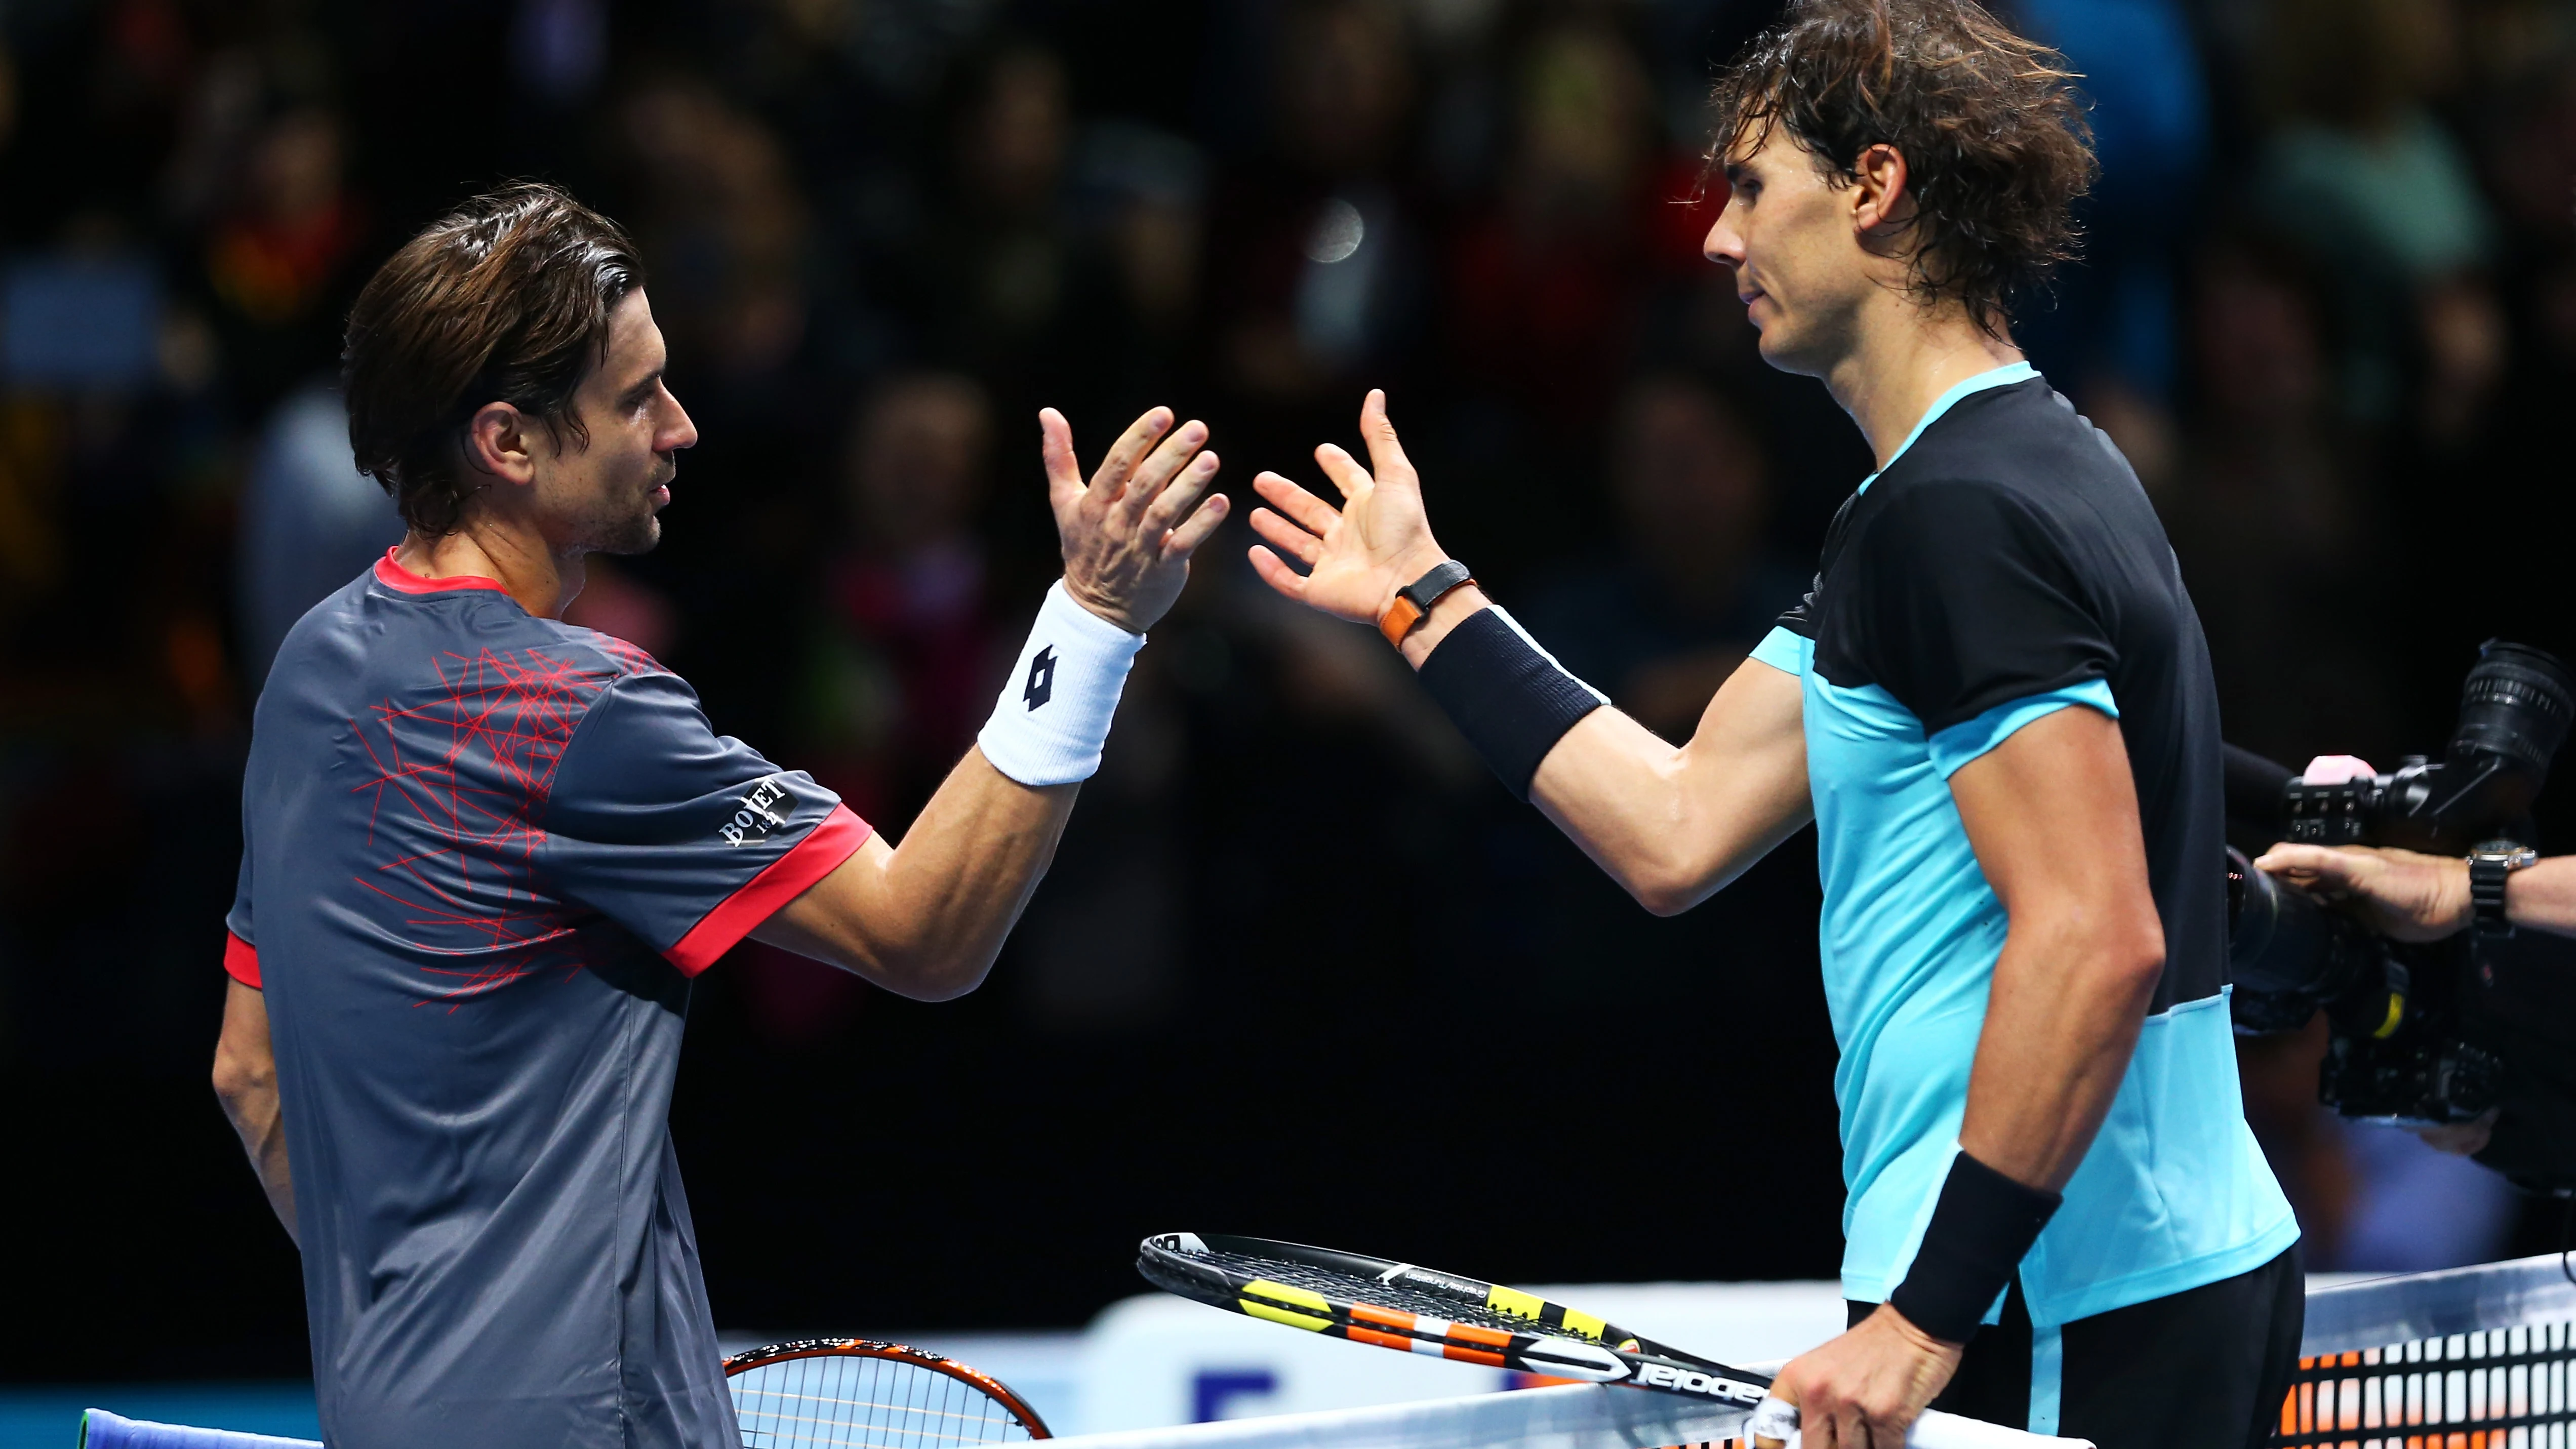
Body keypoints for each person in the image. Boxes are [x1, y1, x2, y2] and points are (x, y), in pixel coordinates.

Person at [1241, 3, 2300, 1445]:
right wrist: (1428, 600)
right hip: (2084, 1278)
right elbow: (1676, 826)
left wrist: (1925, 1317)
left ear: (1872, 188)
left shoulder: (1962, 517)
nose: (1715, 241)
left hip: (2062, 1303)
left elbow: (2097, 933)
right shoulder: (1978, 482)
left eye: (1749, 187)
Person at [207, 183, 1227, 1449]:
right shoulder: (582, 712)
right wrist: (1092, 619)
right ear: (508, 443)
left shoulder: (312, 670)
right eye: (636, 398)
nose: (682, 427)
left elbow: (250, 1074)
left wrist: (439, 1333)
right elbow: (926, 931)